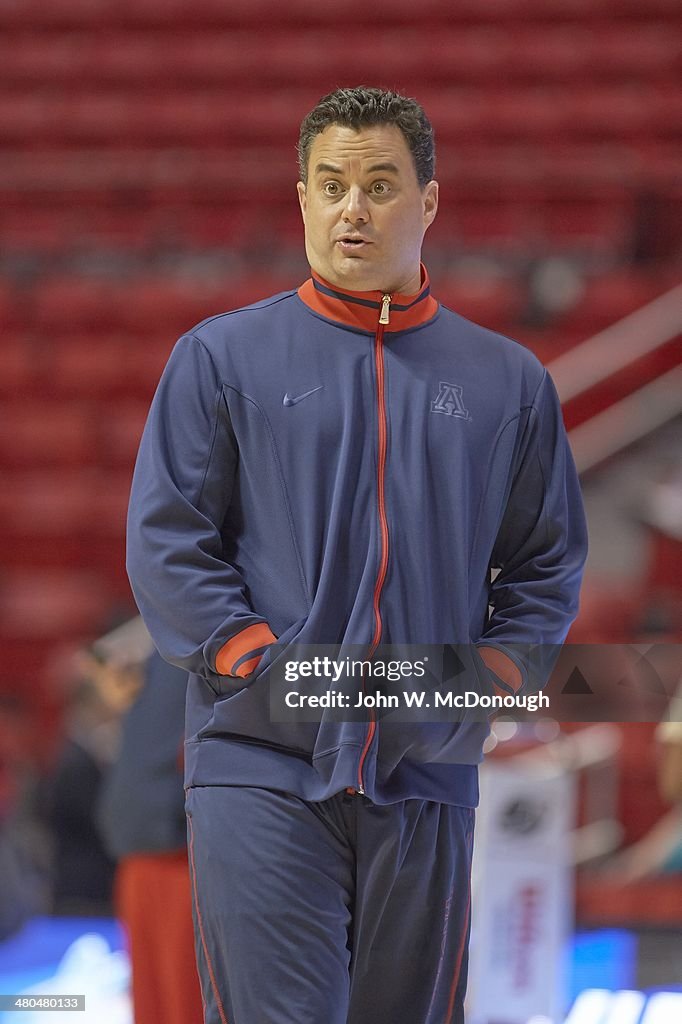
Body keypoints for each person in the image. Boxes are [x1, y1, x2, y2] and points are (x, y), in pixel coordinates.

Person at [126, 86, 588, 1024]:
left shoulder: (509, 384)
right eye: (331, 185)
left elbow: (545, 565)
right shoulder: (221, 360)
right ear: (301, 199)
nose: (353, 208)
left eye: (380, 185)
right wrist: (249, 661)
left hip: (427, 769)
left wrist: (495, 677)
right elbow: (168, 537)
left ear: (427, 203)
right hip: (260, 760)